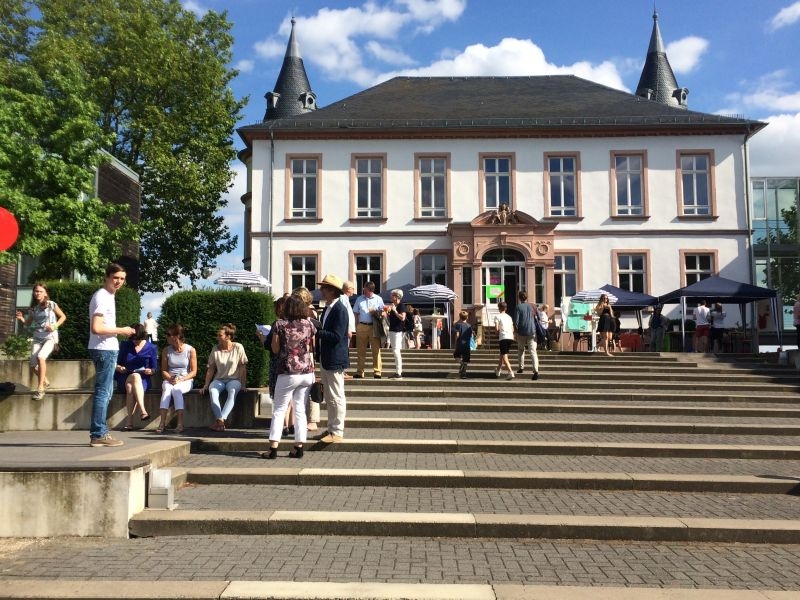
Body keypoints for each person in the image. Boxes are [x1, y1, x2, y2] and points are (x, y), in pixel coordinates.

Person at [87, 263, 136, 447]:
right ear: (106, 276)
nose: (119, 282)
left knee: (105, 392)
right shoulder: (103, 297)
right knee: (103, 392)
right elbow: (97, 328)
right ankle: (99, 433)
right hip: (104, 349)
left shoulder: (106, 296)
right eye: (116, 277)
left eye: (122, 278)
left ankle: (100, 432)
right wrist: (121, 330)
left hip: (105, 348)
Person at [262, 295, 316, 459]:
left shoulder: (280, 324)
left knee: (279, 409)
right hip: (307, 372)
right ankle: (298, 447)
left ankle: (273, 448)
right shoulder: (309, 324)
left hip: (287, 371)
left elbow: (276, 349)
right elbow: (311, 346)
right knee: (300, 409)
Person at [15, 283, 66, 400]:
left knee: (41, 357)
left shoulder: (51, 305)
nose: (37, 293)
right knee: (32, 365)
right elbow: (28, 323)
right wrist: (21, 318)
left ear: (45, 293)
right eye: (36, 291)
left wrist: (54, 326)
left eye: (40, 291)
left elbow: (63, 316)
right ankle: (45, 381)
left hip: (50, 337)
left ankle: (40, 389)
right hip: (37, 337)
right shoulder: (34, 309)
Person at [315, 274, 350, 443]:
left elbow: (337, 336)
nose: (321, 290)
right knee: (329, 396)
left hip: (335, 357)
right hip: (327, 357)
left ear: (332, 291)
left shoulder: (340, 309)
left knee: (336, 396)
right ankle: (331, 429)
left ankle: (337, 431)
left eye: (324, 288)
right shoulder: (329, 308)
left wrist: (317, 331)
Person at [199, 323, 248, 432]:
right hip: (219, 379)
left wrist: (243, 384)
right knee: (212, 391)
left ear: (228, 336)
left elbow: (242, 367)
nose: (217, 337)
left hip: (234, 379)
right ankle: (221, 421)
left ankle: (220, 421)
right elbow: (211, 369)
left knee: (232, 391)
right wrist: (206, 385)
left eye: (220, 335)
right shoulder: (215, 349)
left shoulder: (238, 347)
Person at [156, 324, 197, 434]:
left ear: (177, 336)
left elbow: (194, 372)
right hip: (170, 380)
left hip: (185, 380)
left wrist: (182, 379)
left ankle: (180, 424)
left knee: (176, 390)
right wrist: (170, 378)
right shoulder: (166, 350)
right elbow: (164, 370)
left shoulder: (190, 350)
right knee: (167, 390)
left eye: (168, 335)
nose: (166, 337)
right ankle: (162, 423)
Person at [116, 323, 158, 430]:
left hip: (143, 380)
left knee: (131, 385)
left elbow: (155, 368)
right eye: (133, 339)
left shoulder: (152, 347)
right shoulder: (125, 345)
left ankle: (129, 422)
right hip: (124, 377)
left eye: (137, 339)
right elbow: (117, 363)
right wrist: (119, 368)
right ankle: (143, 411)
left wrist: (151, 371)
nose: (135, 342)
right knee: (134, 376)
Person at [352, 281, 385, 378]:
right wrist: (356, 325)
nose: (363, 291)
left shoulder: (378, 299)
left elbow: (384, 313)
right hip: (361, 326)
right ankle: (360, 371)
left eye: (365, 289)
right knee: (360, 351)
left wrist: (378, 313)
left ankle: (377, 371)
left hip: (374, 326)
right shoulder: (359, 299)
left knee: (376, 350)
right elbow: (356, 313)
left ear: (370, 290)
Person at [512, 291, 539, 379]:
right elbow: (538, 317)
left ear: (519, 298)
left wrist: (515, 332)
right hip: (532, 331)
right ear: (527, 297)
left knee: (521, 350)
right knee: (533, 352)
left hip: (521, 332)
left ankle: (521, 367)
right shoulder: (533, 306)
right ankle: (535, 371)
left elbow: (516, 322)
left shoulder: (518, 307)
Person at [385, 289, 406, 379]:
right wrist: (387, 312)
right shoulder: (394, 305)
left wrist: (395, 311)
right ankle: (398, 372)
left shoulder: (401, 306)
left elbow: (403, 318)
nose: (390, 297)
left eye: (392, 295)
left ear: (397, 297)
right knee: (395, 351)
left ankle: (398, 372)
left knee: (396, 351)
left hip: (397, 331)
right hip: (392, 330)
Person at [494, 301, 515, 379]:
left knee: (504, 355)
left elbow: (496, 328)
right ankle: (498, 370)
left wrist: (496, 334)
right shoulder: (509, 317)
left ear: (499, 308)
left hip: (503, 336)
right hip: (510, 336)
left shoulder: (497, 316)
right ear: (506, 308)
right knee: (502, 354)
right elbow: (512, 328)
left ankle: (510, 372)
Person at [452, 310, 473, 379]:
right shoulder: (469, 326)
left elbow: (457, 335)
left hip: (460, 343)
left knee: (456, 355)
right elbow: (471, 335)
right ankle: (464, 374)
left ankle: (461, 363)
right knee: (466, 359)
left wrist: (455, 343)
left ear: (460, 317)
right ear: (467, 318)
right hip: (467, 344)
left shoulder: (458, 325)